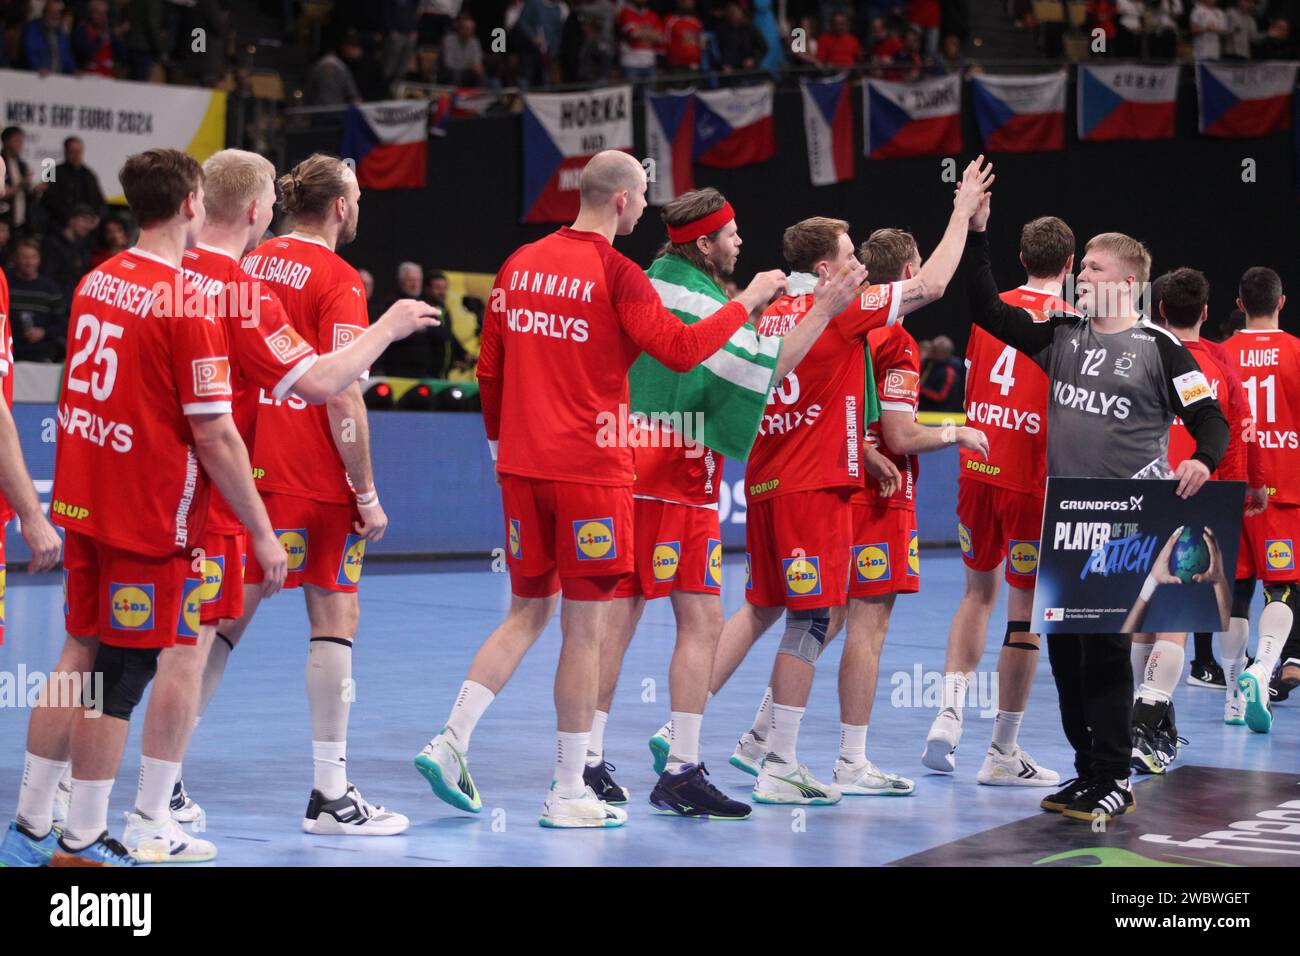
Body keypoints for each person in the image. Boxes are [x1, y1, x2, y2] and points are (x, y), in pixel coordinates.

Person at [411, 151, 796, 829]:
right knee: (584, 631)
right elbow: (680, 351)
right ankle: (566, 790)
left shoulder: (518, 264)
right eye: (644, 194)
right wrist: (746, 302)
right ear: (621, 202)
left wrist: (503, 447)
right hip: (591, 471)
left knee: (526, 613)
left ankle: (450, 740)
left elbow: (490, 367)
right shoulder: (618, 275)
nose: (648, 206)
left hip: (524, 469)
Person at [128, 150, 440, 852]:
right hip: (314, 478)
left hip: (243, 471)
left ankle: (164, 783)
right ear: (339, 207)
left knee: (215, 625)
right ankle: (330, 792)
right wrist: (365, 489)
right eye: (356, 195)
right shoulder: (335, 276)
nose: (359, 206)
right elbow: (342, 389)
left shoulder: (250, 264)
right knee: (335, 615)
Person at [0, 148, 290, 867]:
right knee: (120, 681)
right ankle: (83, 839)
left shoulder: (99, 278)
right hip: (148, 516)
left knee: (78, 654)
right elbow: (218, 434)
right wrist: (262, 531)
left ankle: (31, 824)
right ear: (193, 203)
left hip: (86, 499)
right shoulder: (185, 300)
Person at [708, 160, 993, 804]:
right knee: (812, 621)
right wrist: (962, 209)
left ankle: (707, 732)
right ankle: (786, 760)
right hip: (815, 484)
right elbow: (935, 283)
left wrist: (859, 444)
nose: (858, 262)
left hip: (769, 478)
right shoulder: (845, 312)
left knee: (780, 614)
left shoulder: (768, 310)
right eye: (847, 253)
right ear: (829, 268)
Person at [594, 188, 871, 818]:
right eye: (731, 234)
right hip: (661, 474)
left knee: (697, 621)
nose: (742, 242)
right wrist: (822, 309)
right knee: (623, 618)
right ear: (703, 244)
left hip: (673, 474)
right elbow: (765, 370)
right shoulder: (692, 295)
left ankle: (678, 767)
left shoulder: (673, 284)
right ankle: (589, 760)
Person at [960, 173, 1228, 823]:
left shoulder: (1162, 350)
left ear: (1128, 281)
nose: (1082, 275)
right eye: (1081, 267)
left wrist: (1200, 458)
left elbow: (1211, 421)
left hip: (1127, 521)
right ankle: (1089, 770)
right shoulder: (1063, 335)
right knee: (1064, 650)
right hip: (1066, 517)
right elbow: (987, 310)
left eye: (1095, 268)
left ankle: (1115, 774)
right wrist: (974, 230)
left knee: (1104, 648)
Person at [924, 215, 1079, 788]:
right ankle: (1002, 752)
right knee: (1024, 615)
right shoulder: (1074, 326)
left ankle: (947, 715)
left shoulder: (988, 312)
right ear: (1068, 265)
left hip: (977, 468)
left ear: (1020, 257)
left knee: (975, 594)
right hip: (1029, 481)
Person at [1128, 267, 1259, 775]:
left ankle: (1146, 721)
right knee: (1176, 617)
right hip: (1195, 489)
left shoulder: (1137, 349)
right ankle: (1148, 718)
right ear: (1206, 313)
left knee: (1142, 615)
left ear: (1159, 308)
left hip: (1141, 487)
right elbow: (1235, 431)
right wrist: (1235, 493)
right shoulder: (1221, 361)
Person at [1223, 266, 1298, 734]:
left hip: (1231, 490)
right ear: (1281, 302)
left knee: (1235, 595)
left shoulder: (1220, 354)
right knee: (1283, 587)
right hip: (1283, 492)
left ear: (1240, 303)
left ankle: (1233, 697)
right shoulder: (1296, 352)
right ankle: (1264, 669)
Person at [6, 240, 65, 362]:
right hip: (9, 355)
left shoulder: (51, 289)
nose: (29, 262)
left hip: (42, 356)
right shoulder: (5, 286)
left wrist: (43, 332)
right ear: (15, 259)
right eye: (24, 257)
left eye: (33, 257)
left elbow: (62, 324)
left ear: (39, 260)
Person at [40, 204, 100, 303]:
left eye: (90, 222)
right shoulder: (52, 244)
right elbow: (48, 274)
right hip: (55, 300)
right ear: (71, 220)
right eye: (84, 220)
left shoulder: (83, 248)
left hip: (75, 301)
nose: (87, 226)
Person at [44, 138, 107, 230]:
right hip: (61, 225)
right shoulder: (53, 172)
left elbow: (99, 201)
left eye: (78, 151)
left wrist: (96, 218)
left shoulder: (88, 174)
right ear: (65, 152)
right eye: (72, 151)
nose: (76, 155)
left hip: (87, 225)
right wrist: (70, 219)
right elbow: (50, 201)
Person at [21, 0, 75, 75]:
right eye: (51, 12)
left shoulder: (62, 33)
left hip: (58, 78)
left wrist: (75, 70)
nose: (55, 16)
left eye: (58, 13)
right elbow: (30, 52)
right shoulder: (33, 29)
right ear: (44, 13)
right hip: (38, 76)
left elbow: (67, 56)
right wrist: (38, 67)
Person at [917, 334, 963, 412]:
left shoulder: (949, 371)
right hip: (921, 409)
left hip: (938, 414)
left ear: (944, 353)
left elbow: (941, 396)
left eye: (935, 350)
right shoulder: (929, 363)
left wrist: (920, 388)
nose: (931, 353)